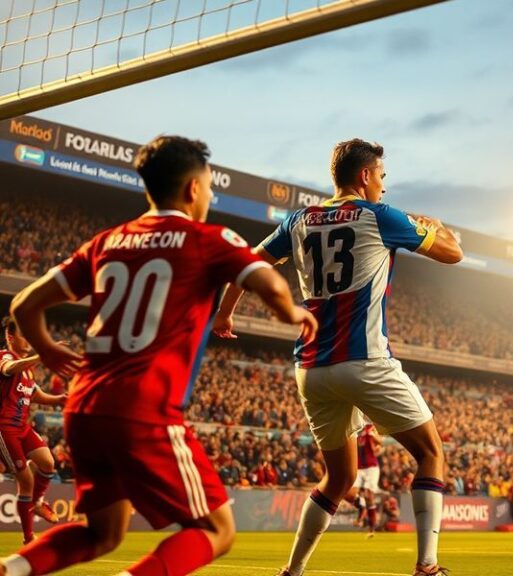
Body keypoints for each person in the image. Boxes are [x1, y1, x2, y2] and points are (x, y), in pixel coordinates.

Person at [1, 135, 317, 576]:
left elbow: (23, 306)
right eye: (210, 187)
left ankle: (10, 569)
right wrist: (291, 311)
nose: (211, 195)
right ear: (192, 189)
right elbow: (270, 283)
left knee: (102, 534)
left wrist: (49, 348)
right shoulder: (207, 238)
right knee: (216, 530)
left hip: (84, 409)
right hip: (143, 408)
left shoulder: (107, 241)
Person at [214, 138, 462, 576]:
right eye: (381, 177)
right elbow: (453, 254)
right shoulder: (379, 216)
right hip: (364, 359)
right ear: (365, 176)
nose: (383, 187)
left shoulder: (299, 219)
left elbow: (249, 263)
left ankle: (292, 572)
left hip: (311, 368)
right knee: (430, 453)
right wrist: (439, 226)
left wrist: (224, 313)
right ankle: (427, 566)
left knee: (338, 477)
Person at [0, 317, 67, 544]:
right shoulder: (6, 357)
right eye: (23, 334)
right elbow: (9, 368)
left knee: (47, 462)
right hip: (5, 429)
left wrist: (60, 399)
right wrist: (42, 357)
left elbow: (36, 394)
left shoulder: (28, 371)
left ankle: (37, 503)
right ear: (10, 337)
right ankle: (29, 539)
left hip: (22, 427)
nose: (28, 339)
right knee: (26, 480)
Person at [345, 423, 382, 537]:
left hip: (371, 467)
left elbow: (379, 442)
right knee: (349, 494)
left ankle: (372, 528)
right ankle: (361, 506)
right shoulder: (351, 430)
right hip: (358, 467)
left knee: (369, 496)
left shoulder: (369, 428)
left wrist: (372, 435)